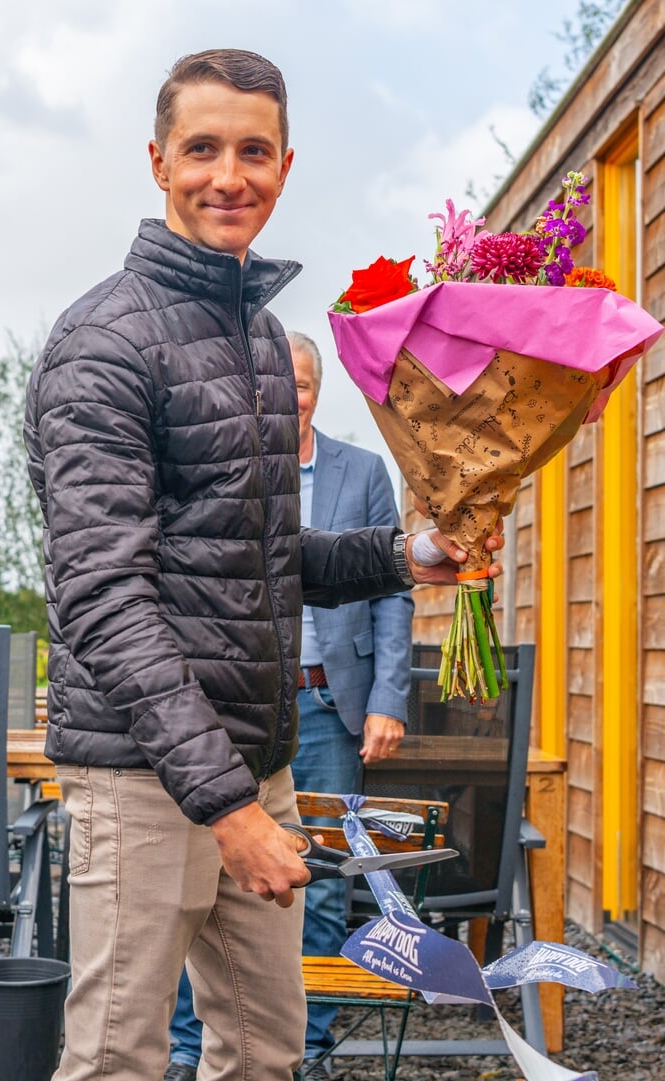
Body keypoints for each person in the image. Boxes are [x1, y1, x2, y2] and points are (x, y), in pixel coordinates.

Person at [27, 49, 496, 1081]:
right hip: (145, 778)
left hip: (257, 767)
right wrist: (226, 806)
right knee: (117, 1060)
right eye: (203, 149)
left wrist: (407, 555)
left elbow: (263, 558)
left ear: (286, 165)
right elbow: (103, 599)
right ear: (158, 161)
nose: (228, 176)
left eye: (253, 151)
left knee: (262, 1049)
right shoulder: (103, 344)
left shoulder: (261, 337)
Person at [164, 331, 413, 1080]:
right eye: (273, 385)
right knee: (208, 878)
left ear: (316, 392)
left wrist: (388, 698)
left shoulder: (362, 470)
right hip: (234, 711)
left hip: (329, 704)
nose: (286, 398)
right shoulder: (224, 468)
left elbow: (392, 588)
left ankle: (308, 1045)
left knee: (322, 879)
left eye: (299, 385)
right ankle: (190, 1045)